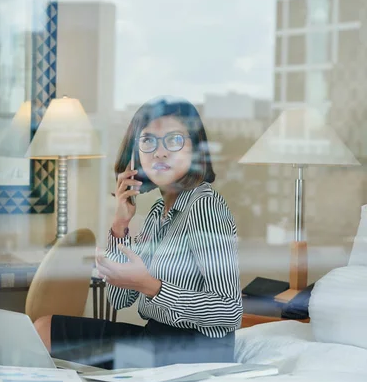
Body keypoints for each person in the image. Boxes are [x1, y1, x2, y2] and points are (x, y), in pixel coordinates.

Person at [34, 96, 242, 367]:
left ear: (196, 149)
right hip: (155, 339)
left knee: (47, 336)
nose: (160, 152)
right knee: (45, 328)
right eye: (148, 142)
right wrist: (120, 225)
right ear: (136, 154)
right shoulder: (157, 212)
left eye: (174, 140)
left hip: (194, 351)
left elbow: (230, 311)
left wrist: (150, 286)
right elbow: (120, 299)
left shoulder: (204, 205)